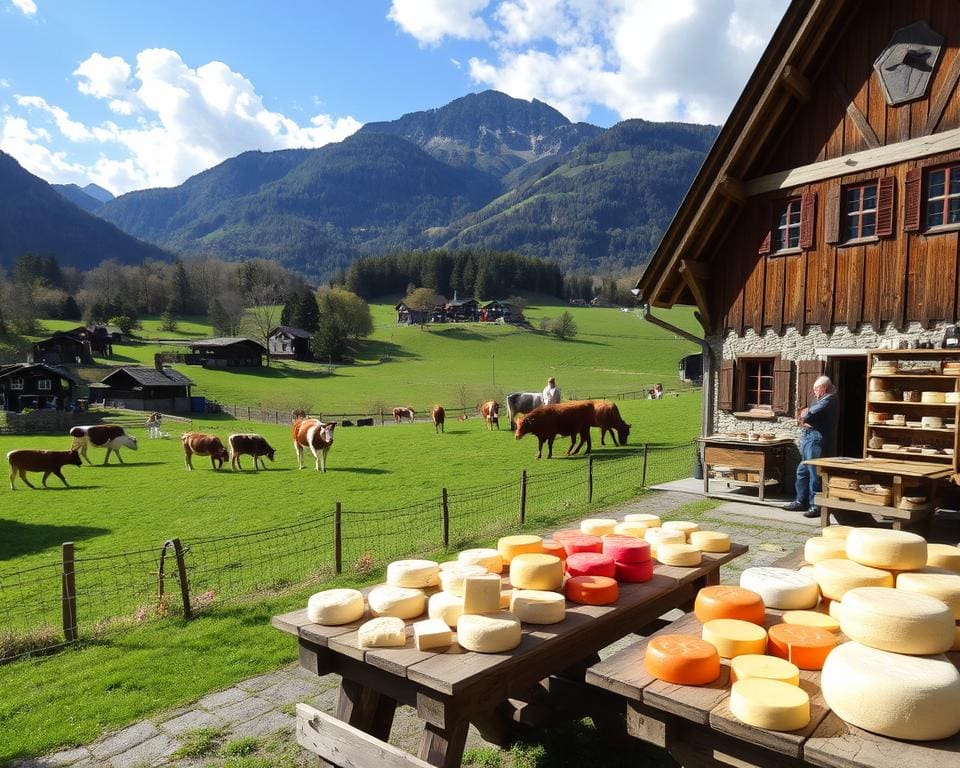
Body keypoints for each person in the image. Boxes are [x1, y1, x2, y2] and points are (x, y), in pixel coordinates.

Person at [784, 375, 838, 518]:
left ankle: (815, 506)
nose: (814, 391)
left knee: (814, 473)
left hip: (816, 438)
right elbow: (804, 415)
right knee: (802, 470)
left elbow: (808, 415)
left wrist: (806, 415)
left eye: (816, 388)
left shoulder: (829, 400)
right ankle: (800, 501)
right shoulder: (820, 400)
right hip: (808, 436)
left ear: (823, 388)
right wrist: (805, 415)